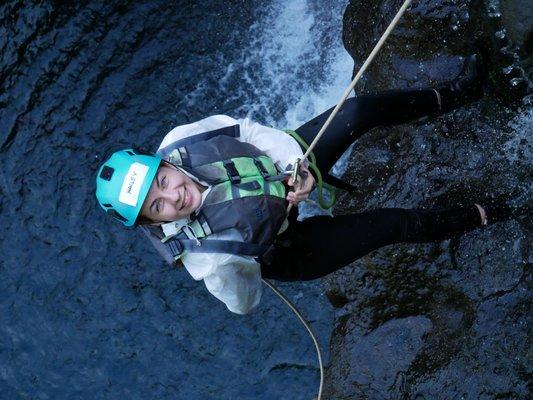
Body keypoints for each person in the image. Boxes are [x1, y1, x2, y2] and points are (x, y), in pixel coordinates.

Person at [95, 55, 526, 314]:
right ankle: (491, 211)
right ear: (153, 222)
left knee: (356, 112)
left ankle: (457, 94)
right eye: (157, 206)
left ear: (161, 164)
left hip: (282, 165)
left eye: (163, 181)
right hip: (288, 245)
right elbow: (245, 305)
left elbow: (242, 130)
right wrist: (240, 267)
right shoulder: (207, 261)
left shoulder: (180, 141)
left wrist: (294, 168)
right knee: (391, 225)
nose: (172, 196)